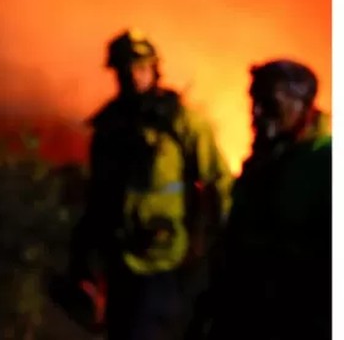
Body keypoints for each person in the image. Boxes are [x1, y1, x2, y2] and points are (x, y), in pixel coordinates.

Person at [64, 29, 232, 339]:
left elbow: (217, 181)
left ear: (155, 69)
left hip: (165, 258)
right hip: (118, 256)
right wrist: (82, 254)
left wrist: (220, 244)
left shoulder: (182, 121)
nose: (133, 76)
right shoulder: (110, 124)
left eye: (140, 67)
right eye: (125, 69)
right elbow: (98, 194)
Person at [187, 59, 331, 340]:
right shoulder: (264, 161)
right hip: (243, 313)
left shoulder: (326, 163)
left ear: (302, 105)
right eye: (253, 101)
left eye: (269, 103)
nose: (256, 112)